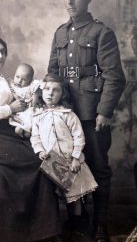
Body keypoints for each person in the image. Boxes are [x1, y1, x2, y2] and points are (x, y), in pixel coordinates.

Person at [48, 0, 126, 242]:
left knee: (98, 168)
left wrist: (104, 111)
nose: (70, 0)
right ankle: (76, 223)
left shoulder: (101, 33)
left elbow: (115, 76)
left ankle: (101, 226)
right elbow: (52, 74)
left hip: (92, 115)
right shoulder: (59, 33)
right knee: (66, 168)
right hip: (64, 115)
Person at [0, 35, 61, 242]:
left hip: (5, 134)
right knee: (38, 161)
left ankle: (41, 230)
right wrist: (11, 108)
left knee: (43, 158)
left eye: (2, 51)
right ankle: (28, 231)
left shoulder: (2, 79)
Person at [30, 73, 98, 204]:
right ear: (41, 91)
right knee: (53, 196)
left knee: (75, 195)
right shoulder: (38, 116)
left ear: (62, 94)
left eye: (56, 90)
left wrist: (76, 158)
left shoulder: (68, 115)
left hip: (71, 161)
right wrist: (40, 151)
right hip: (52, 162)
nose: (50, 93)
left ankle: (77, 221)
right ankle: (57, 221)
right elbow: (35, 137)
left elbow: (79, 136)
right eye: (47, 89)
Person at [9, 63, 41, 137]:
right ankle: (20, 129)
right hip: (19, 109)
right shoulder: (12, 85)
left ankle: (28, 131)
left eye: (23, 79)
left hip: (29, 108)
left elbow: (39, 87)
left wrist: (35, 96)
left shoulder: (31, 85)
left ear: (30, 81)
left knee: (31, 117)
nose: (19, 81)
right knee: (18, 118)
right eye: (17, 77)